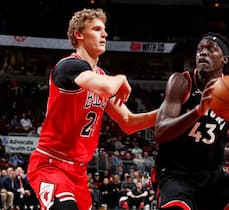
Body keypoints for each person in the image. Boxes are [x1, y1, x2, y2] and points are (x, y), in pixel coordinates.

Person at [27, 8, 157, 210]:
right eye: (96, 29)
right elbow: (105, 87)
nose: (104, 34)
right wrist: (121, 78)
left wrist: (170, 112)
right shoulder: (69, 66)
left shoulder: (102, 76)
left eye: (104, 30)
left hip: (78, 172)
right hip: (51, 164)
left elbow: (128, 123)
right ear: (79, 35)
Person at [153, 32, 229, 210]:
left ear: (224, 59)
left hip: (213, 175)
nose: (203, 53)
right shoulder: (181, 82)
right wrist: (199, 110)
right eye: (200, 49)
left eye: (211, 49)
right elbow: (159, 133)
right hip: (175, 174)